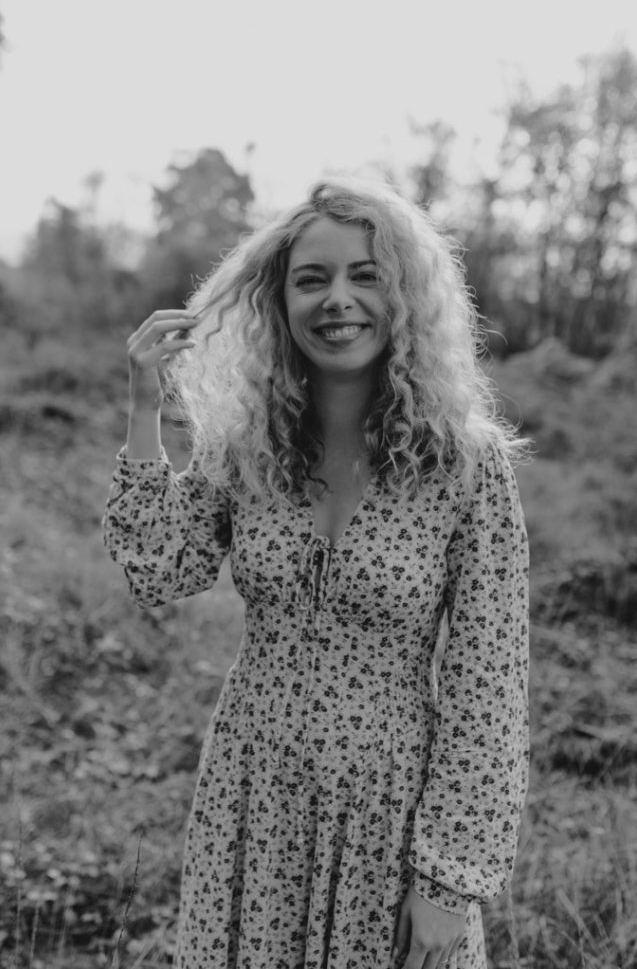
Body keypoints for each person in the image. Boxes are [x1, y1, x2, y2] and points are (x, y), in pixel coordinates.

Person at [103, 176, 530, 969]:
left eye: (365, 275)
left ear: (402, 294)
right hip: (252, 795)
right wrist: (142, 407)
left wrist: (447, 884)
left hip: (389, 812)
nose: (338, 299)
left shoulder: (465, 468)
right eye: (312, 278)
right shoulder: (248, 448)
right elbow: (161, 569)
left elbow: (489, 687)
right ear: (280, 301)